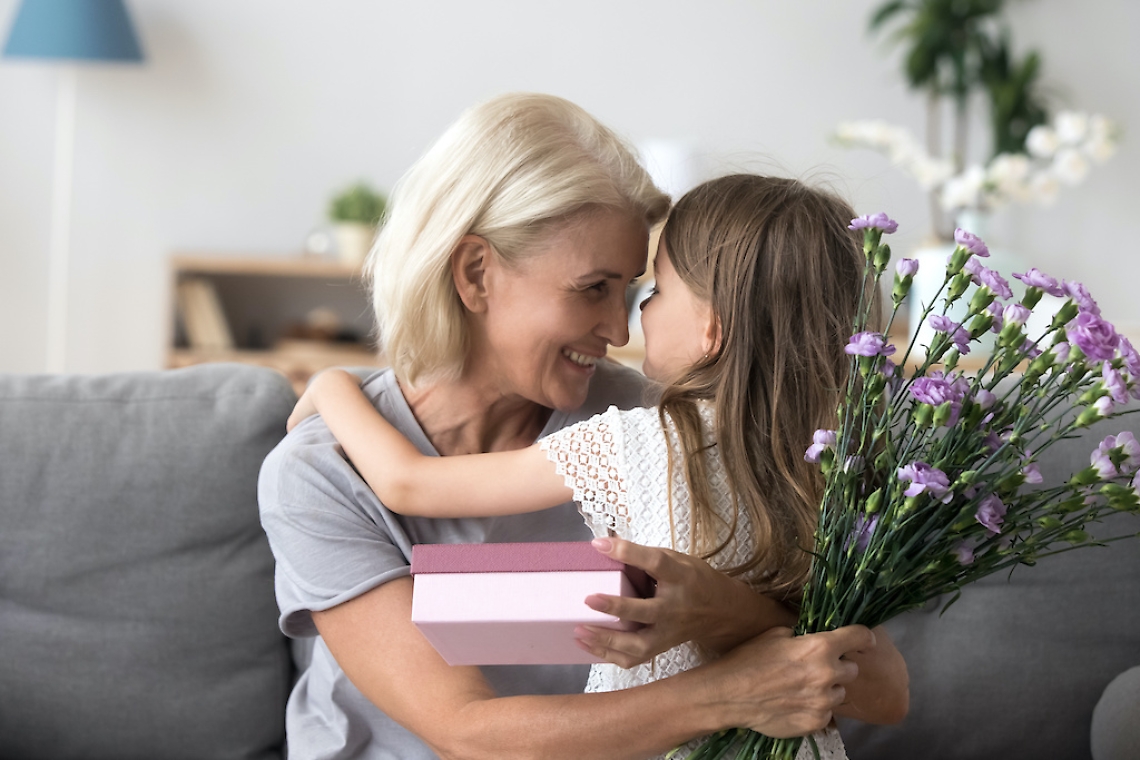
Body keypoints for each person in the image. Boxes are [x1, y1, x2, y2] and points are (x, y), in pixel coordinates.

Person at [259, 93, 907, 760]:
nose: (620, 331)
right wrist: (730, 690)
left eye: (635, 290)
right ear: (477, 274)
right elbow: (465, 732)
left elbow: (882, 691)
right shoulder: (322, 470)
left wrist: (724, 610)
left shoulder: (656, 431)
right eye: (593, 288)